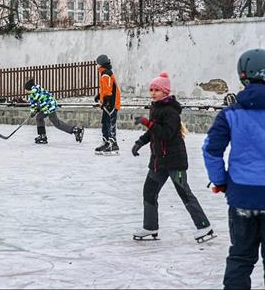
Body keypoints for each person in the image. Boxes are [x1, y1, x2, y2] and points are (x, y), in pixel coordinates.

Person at [202, 48, 265, 289]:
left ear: (242, 75)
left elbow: (211, 150)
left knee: (240, 257)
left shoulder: (231, 113)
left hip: (242, 197)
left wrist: (220, 181)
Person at [132, 71, 213, 242]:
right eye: (151, 89)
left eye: (157, 90)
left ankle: (204, 226)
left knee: (184, 192)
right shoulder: (156, 108)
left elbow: (166, 134)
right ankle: (150, 226)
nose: (153, 93)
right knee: (149, 191)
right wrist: (140, 142)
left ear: (165, 92)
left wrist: (147, 123)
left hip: (174, 160)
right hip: (158, 161)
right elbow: (153, 132)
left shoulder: (170, 112)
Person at [25, 78, 84, 144]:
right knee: (39, 117)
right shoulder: (39, 89)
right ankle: (42, 135)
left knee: (56, 123)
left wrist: (32, 113)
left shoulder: (32, 94)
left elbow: (34, 105)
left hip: (48, 108)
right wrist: (38, 108)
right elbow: (41, 100)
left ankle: (75, 130)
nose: (26, 91)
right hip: (51, 105)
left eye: (26, 90)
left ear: (29, 89)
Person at [94, 54, 121, 155]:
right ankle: (106, 142)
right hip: (108, 102)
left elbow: (108, 90)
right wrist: (99, 96)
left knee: (110, 123)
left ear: (101, 64)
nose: (97, 66)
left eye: (97, 64)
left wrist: (107, 101)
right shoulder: (104, 73)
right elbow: (105, 89)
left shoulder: (106, 73)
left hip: (111, 102)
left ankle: (113, 144)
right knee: (105, 122)